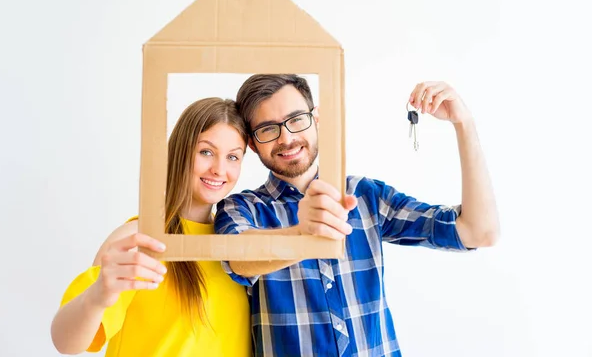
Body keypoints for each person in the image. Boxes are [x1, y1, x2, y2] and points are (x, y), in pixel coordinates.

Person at [214, 74, 500, 357]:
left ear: (317, 120)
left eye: (296, 119)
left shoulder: (365, 195)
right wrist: (303, 233)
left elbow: (478, 232)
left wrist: (464, 124)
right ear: (253, 144)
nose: (287, 138)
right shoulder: (240, 208)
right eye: (267, 129)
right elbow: (238, 258)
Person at [51, 98, 252, 356]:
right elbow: (65, 342)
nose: (219, 169)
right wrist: (98, 294)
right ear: (181, 150)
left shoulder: (237, 244)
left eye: (233, 157)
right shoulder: (139, 237)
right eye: (206, 152)